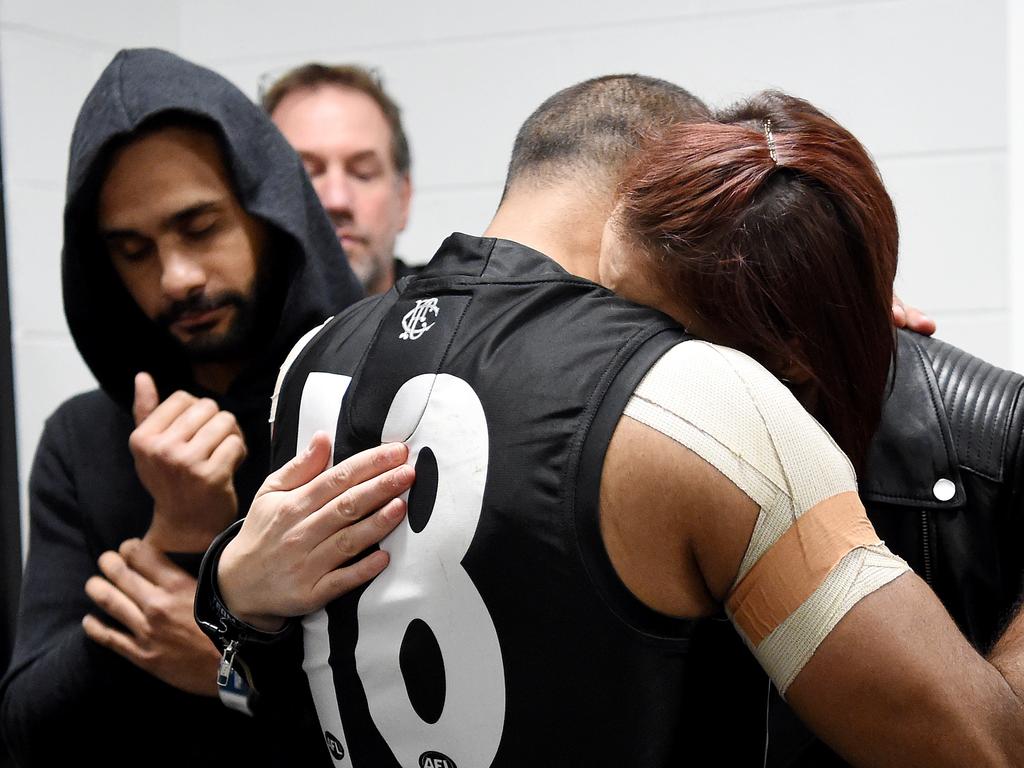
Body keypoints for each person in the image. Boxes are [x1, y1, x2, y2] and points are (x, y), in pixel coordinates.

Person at [197, 76, 1024, 765]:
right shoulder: (700, 396)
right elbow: (979, 751)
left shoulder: (313, 360)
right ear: (666, 191)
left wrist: (228, 595)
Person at [0, 48, 383, 767]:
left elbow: (436, 711)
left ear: (269, 210)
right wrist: (174, 534)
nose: (176, 278)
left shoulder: (379, 399)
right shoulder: (84, 438)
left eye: (201, 227)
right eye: (133, 250)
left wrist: (229, 663)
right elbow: (29, 732)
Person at [262, 63, 416, 295]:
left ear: (402, 200)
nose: (336, 200)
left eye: (362, 174)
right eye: (306, 174)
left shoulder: (460, 323)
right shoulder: (220, 324)